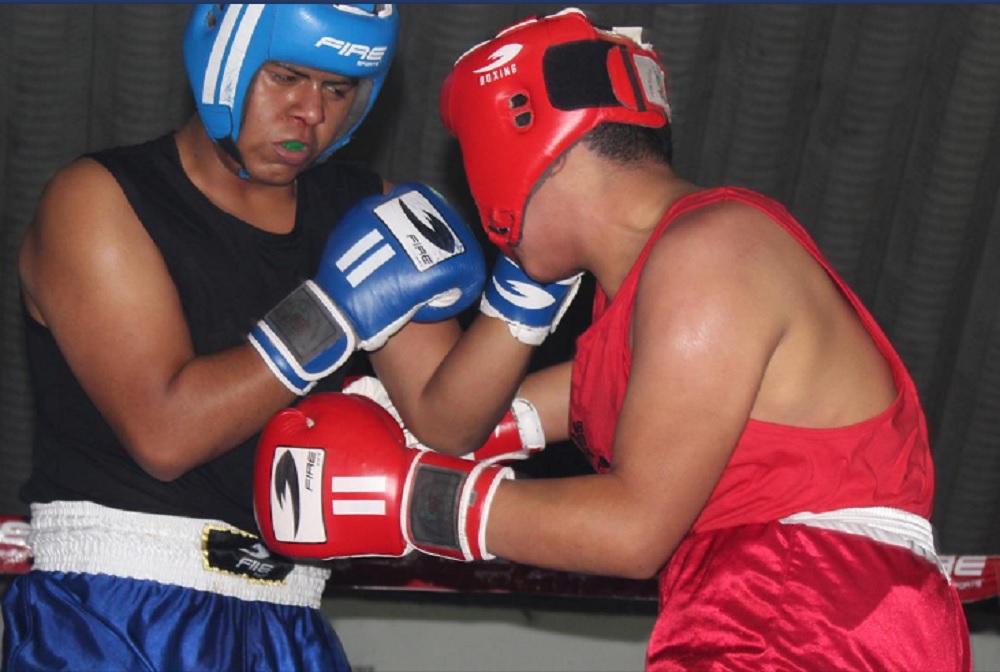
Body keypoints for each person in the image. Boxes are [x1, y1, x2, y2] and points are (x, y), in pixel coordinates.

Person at [253, 8, 973, 671]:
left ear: (520, 138)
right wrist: (400, 386)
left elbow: (632, 530)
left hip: (821, 610)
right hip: (767, 607)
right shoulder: (639, 307)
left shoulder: (711, 252)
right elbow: (458, 428)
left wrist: (416, 501)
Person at [0, 4, 548, 670]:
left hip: (290, 618)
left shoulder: (366, 207)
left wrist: (530, 281)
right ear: (224, 60)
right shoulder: (98, 199)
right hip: (115, 610)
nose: (309, 113)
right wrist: (334, 313)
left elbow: (447, 422)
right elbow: (165, 433)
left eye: (337, 89)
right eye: (287, 77)